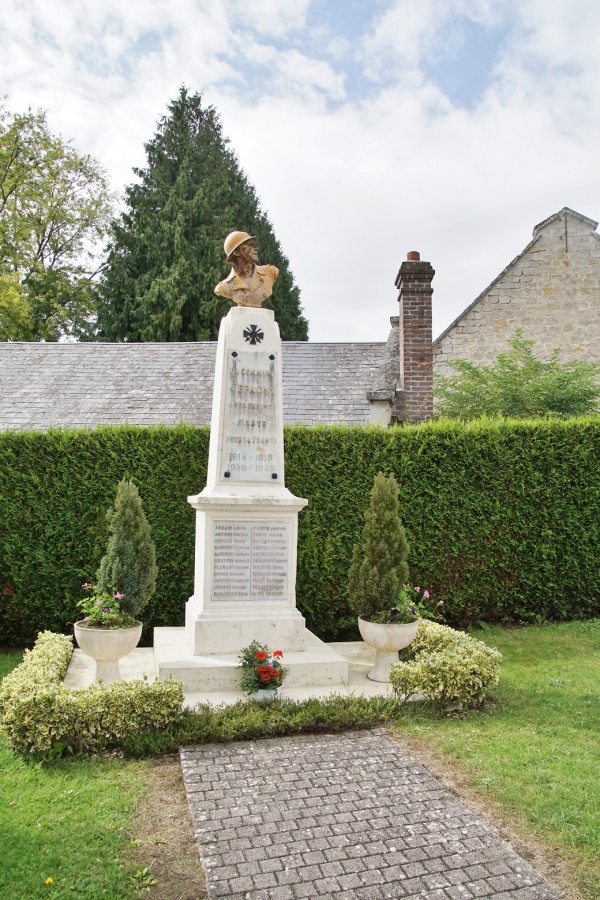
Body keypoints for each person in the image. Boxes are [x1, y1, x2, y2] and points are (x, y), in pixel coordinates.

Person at [214, 231, 279, 308]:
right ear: (236, 252)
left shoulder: (270, 272)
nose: (256, 248)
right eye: (250, 245)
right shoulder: (224, 287)